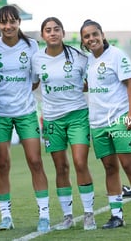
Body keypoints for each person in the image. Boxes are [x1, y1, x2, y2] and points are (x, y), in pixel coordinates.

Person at [80, 19, 131, 230]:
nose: (92, 39)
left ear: (102, 35)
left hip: (120, 119)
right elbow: (89, 85)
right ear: (84, 41)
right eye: (87, 36)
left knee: (130, 166)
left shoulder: (117, 55)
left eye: (95, 34)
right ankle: (116, 216)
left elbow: (130, 83)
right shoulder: (87, 62)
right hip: (98, 123)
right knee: (110, 168)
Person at [0, 5, 50, 232]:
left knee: (35, 161)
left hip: (26, 112)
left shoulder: (32, 45)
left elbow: (35, 80)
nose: (8, 26)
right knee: (2, 164)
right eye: (3, 22)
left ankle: (44, 215)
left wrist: (20, 93)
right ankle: (6, 216)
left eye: (12, 21)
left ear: (19, 22)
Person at [32, 17, 96, 231]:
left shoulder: (79, 57)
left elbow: (92, 81)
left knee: (79, 163)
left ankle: (88, 214)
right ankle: (67, 217)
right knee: (61, 167)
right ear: (42, 35)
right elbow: (32, 84)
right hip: (51, 119)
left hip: (77, 115)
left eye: (56, 29)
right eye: (48, 30)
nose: (52, 33)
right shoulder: (36, 59)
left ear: (63, 33)